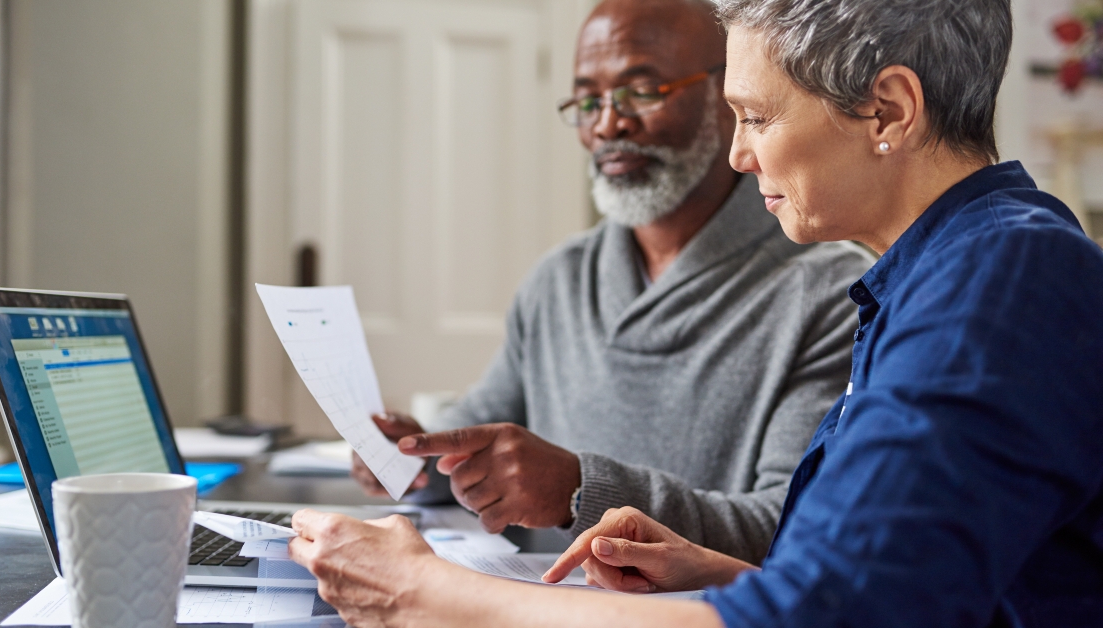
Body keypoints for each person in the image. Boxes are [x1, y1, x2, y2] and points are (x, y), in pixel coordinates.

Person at [287, 0, 1103, 626]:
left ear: (887, 110)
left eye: (755, 116)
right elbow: (886, 591)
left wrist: (431, 594)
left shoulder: (998, 280)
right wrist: (717, 574)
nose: (740, 152)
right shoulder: (936, 277)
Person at [352, 0, 873, 564]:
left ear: (728, 98)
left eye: (641, 91)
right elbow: (481, 431)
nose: (607, 124)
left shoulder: (832, 294)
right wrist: (416, 457)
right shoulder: (559, 279)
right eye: (588, 100)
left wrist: (581, 490)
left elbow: (789, 522)